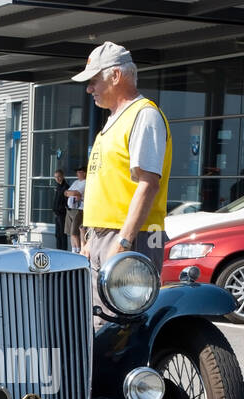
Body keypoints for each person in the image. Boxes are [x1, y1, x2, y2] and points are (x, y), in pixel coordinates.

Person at [73, 41, 172, 319]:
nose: (89, 88)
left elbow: (148, 183)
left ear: (115, 76)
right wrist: (90, 240)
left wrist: (124, 242)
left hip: (131, 236)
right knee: (99, 321)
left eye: (94, 80)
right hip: (106, 237)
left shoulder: (144, 115)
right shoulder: (115, 121)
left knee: (122, 325)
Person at [65, 167, 86, 252]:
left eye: (79, 172)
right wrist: (70, 193)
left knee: (75, 232)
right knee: (70, 233)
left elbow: (75, 193)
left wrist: (71, 193)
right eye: (77, 172)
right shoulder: (76, 182)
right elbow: (65, 192)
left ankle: (78, 251)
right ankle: (73, 250)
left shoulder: (86, 182)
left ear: (84, 173)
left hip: (79, 209)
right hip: (70, 209)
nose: (77, 174)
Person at [51, 168, 69, 248]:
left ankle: (63, 251)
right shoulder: (57, 187)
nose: (57, 179)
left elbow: (67, 202)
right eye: (55, 177)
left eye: (58, 177)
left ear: (62, 176)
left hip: (62, 214)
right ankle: (58, 250)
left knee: (62, 234)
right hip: (57, 214)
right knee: (57, 234)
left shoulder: (66, 187)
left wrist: (61, 209)